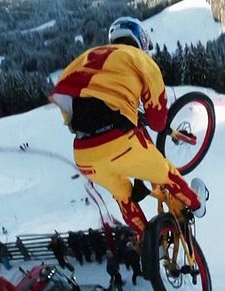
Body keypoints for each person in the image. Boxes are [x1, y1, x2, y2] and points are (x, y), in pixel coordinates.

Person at [51, 16, 208, 241]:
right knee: (166, 174)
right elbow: (157, 121)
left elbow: (70, 114)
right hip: (121, 144)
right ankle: (197, 204)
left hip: (85, 156)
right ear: (141, 40)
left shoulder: (86, 60)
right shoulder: (140, 60)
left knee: (123, 196)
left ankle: (149, 244)